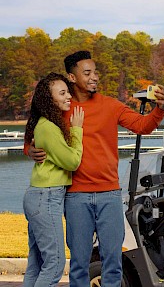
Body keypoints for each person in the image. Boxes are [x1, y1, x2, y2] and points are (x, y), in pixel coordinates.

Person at [25, 51, 164, 287]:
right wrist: (29, 149)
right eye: (87, 72)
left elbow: (143, 126)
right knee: (79, 263)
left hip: (109, 195)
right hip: (75, 197)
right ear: (72, 77)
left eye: (96, 72)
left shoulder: (111, 105)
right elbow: (35, 131)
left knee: (113, 262)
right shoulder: (61, 107)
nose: (94, 77)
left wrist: (160, 108)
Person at [23, 72, 84, 287]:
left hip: (41, 196)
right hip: (46, 197)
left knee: (37, 264)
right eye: (63, 93)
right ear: (49, 99)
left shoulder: (45, 124)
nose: (69, 96)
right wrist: (77, 130)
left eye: (68, 91)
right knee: (55, 263)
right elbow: (72, 162)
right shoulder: (48, 127)